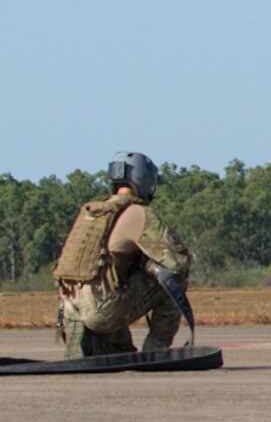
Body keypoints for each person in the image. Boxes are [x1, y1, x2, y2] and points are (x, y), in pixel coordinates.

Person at [53, 153, 193, 358]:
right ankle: (157, 348)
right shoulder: (138, 213)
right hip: (102, 310)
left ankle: (96, 344)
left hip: (69, 309)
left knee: (122, 351)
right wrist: (148, 265)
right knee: (175, 277)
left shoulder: (92, 214)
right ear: (144, 180)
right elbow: (179, 262)